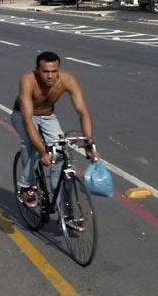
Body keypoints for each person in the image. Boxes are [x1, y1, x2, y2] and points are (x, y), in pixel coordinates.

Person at [11, 51, 97, 208]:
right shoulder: (28, 80)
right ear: (37, 71)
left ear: (59, 70)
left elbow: (82, 112)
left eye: (54, 71)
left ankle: (63, 207)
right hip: (23, 115)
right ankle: (26, 186)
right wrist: (42, 151)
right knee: (33, 145)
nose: (50, 76)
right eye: (45, 72)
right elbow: (28, 120)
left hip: (48, 116)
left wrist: (89, 143)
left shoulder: (68, 80)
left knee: (60, 153)